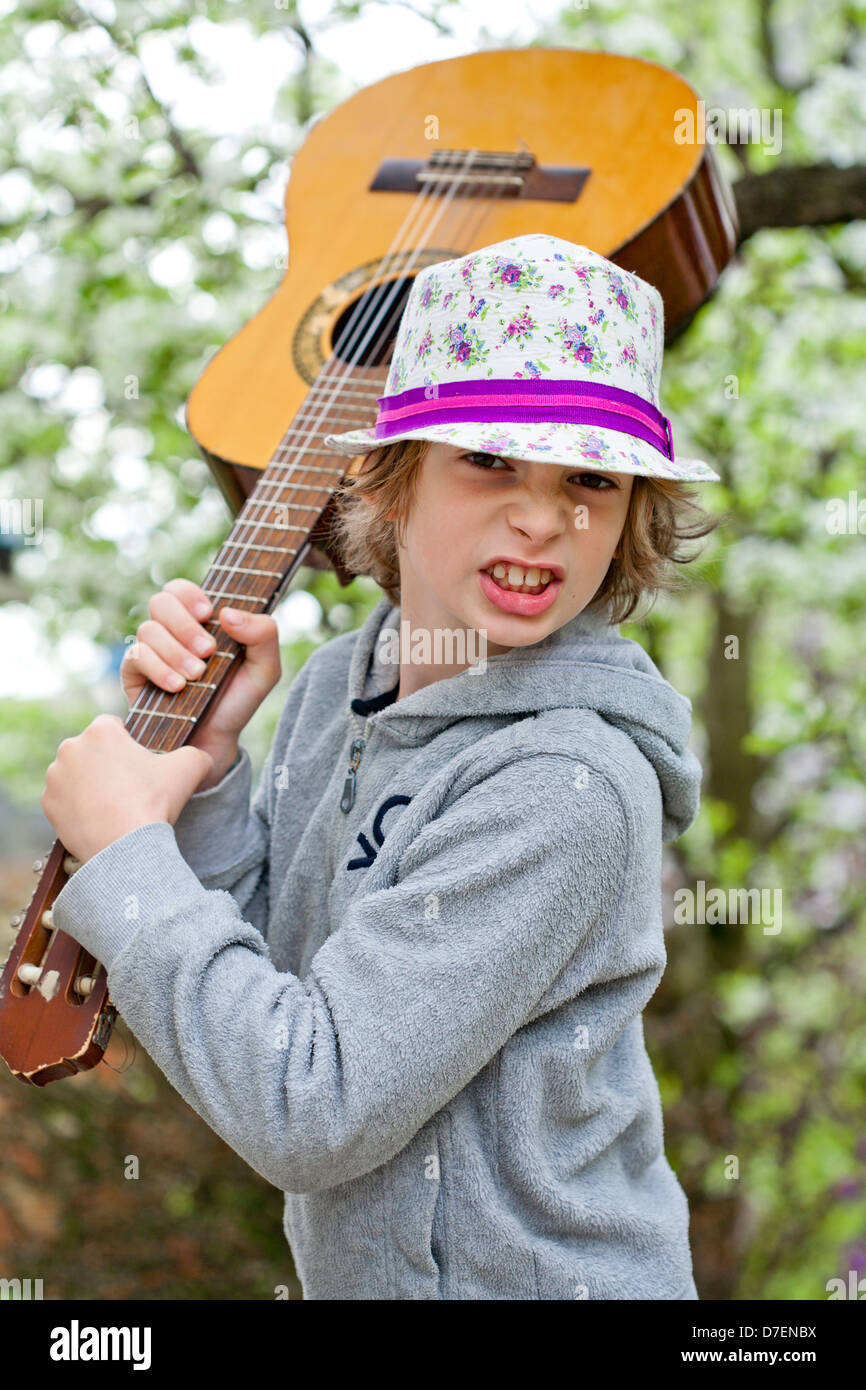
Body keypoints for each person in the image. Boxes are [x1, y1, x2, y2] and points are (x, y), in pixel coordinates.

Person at [46, 233, 722, 1300]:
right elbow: (263, 999)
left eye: (589, 475)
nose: (542, 515)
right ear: (389, 477)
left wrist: (130, 856)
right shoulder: (331, 690)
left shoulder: (565, 783)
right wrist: (209, 781)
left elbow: (308, 1106)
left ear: (632, 511)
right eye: (488, 459)